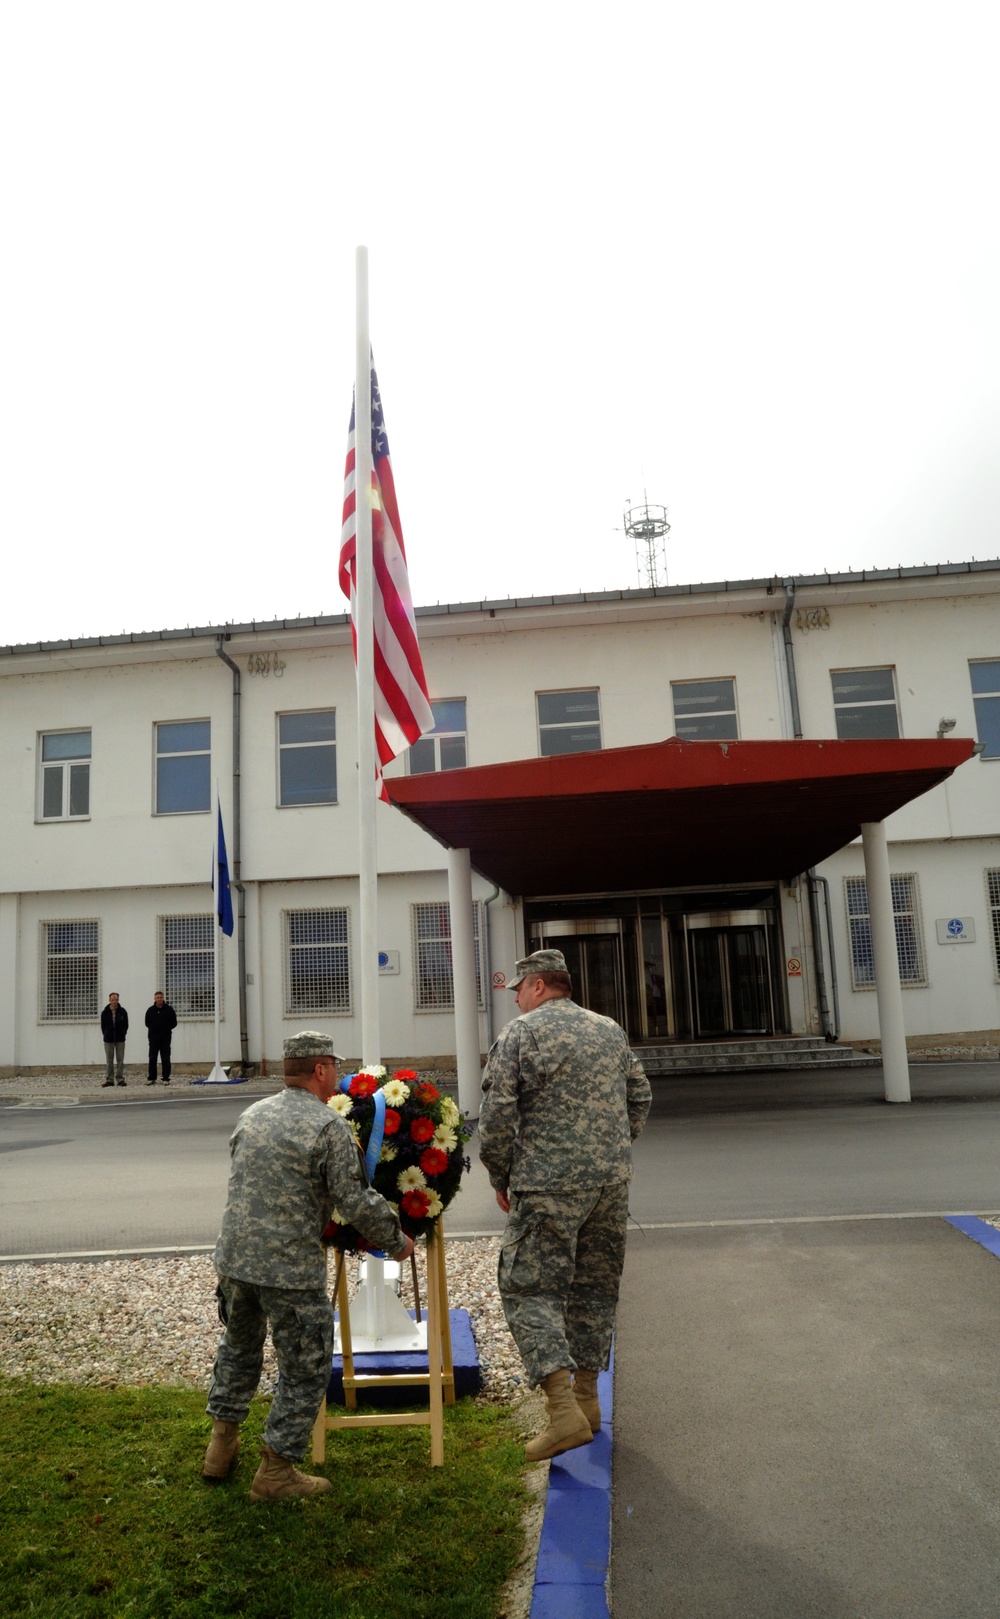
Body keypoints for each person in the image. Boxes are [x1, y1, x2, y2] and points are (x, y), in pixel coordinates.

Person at [202, 1031, 416, 1501]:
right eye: (333, 1068)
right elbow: (354, 1201)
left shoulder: (251, 1114)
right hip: (288, 1269)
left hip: (235, 1260)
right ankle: (276, 1470)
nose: (336, 1076)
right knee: (306, 1364)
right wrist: (396, 1241)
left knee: (238, 1349)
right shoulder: (327, 1127)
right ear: (320, 1070)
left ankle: (221, 1446)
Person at [478, 948, 651, 1462]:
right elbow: (639, 1095)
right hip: (610, 1185)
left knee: (527, 1287)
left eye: (518, 991)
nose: (516, 1001)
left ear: (536, 986)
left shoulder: (521, 1035)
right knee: (593, 1289)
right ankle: (586, 1400)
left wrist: (501, 1175)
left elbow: (496, 1118)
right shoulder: (608, 1029)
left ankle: (561, 1413)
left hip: (547, 1187)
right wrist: (611, 1149)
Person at [144, 991, 177, 1084]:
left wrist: (166, 1029)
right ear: (154, 999)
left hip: (165, 1039)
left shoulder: (169, 1010)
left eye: (161, 997)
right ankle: (152, 1078)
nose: (159, 999)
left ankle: (166, 1078)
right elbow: (147, 1023)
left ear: (163, 998)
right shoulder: (150, 1010)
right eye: (157, 997)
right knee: (152, 1058)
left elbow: (174, 1023)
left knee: (166, 1058)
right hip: (153, 1039)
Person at [100, 992, 128, 1087]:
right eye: (113, 1000)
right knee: (109, 1060)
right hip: (108, 1039)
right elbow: (103, 1026)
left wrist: (123, 1033)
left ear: (118, 1000)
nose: (114, 1001)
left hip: (120, 1039)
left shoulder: (123, 1011)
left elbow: (126, 1025)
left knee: (120, 1060)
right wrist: (107, 1034)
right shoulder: (105, 1012)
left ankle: (120, 1079)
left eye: (116, 1000)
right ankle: (110, 1080)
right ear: (109, 1000)